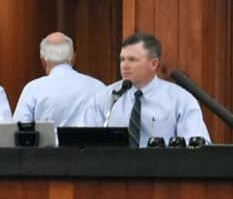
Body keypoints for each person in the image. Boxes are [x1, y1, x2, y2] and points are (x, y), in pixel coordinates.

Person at [83, 32, 211, 146]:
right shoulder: (106, 97)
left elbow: (196, 147)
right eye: (122, 59)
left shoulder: (180, 100)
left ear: (154, 64)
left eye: (132, 60)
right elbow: (82, 142)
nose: (124, 66)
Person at [12, 31, 107, 128]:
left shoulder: (33, 89)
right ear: (73, 58)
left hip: (47, 143)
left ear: (43, 61)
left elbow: (17, 131)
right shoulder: (98, 87)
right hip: (89, 143)